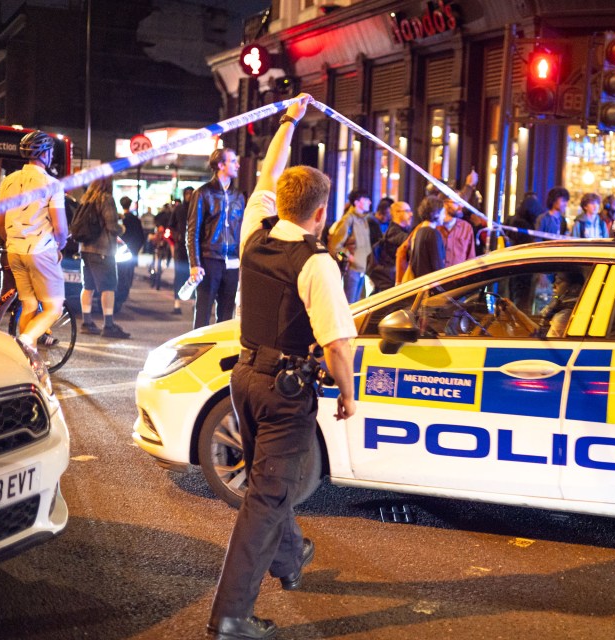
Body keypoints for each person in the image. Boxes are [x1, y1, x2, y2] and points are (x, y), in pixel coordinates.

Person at [207, 94, 357, 640]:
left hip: (242, 381)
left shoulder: (255, 231)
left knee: (269, 478)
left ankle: (290, 558)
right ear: (321, 212)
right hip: (285, 390)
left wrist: (289, 119)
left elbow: (271, 169)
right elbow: (338, 344)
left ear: (280, 203)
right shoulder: (317, 262)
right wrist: (347, 394)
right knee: (267, 493)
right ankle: (230, 616)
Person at [0, 130, 68, 348]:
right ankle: (25, 342)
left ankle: (26, 360)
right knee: (54, 307)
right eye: (51, 151)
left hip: (14, 251)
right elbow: (60, 228)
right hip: (40, 250)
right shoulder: (52, 184)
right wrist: (59, 246)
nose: (52, 156)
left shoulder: (9, 181)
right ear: (44, 154)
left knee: (29, 304)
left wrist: (12, 240)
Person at [187, 147, 246, 329]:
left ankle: (223, 355)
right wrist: (195, 264)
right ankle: (197, 352)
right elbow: (192, 231)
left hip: (233, 262)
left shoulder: (238, 196)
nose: (237, 165)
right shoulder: (203, 193)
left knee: (227, 315)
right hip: (209, 260)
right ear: (220, 165)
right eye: (233, 161)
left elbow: (243, 230)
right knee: (203, 311)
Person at [77, 178, 128, 338]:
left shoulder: (86, 198)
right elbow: (112, 225)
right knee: (108, 287)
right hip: (103, 250)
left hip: (85, 249)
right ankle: (109, 324)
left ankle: (87, 322)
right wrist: (123, 228)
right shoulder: (106, 198)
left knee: (88, 286)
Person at [326, 189, 372, 303]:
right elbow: (334, 247)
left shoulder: (363, 219)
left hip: (362, 269)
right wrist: (349, 258)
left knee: (358, 304)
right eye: (365, 199)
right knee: (349, 304)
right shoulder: (348, 219)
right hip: (351, 270)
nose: (369, 202)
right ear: (356, 202)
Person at [368, 200, 412, 293]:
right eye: (407, 211)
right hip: (391, 282)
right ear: (397, 213)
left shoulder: (401, 231)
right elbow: (411, 242)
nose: (411, 214)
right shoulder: (394, 232)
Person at [115, 196, 145, 313]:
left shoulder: (121, 220)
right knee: (129, 273)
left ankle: (122, 294)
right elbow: (141, 236)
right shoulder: (135, 219)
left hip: (121, 251)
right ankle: (125, 292)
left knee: (122, 274)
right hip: (133, 250)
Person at [407, 196, 446, 280]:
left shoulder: (419, 232)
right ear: (436, 213)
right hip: (430, 285)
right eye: (443, 213)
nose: (444, 216)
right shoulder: (433, 233)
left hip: (420, 282)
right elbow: (437, 266)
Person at [169, 186, 194, 314]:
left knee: (195, 276)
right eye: (187, 194)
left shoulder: (198, 207)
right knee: (179, 275)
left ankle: (194, 303)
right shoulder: (179, 209)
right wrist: (176, 237)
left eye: (191, 193)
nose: (189, 196)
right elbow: (171, 225)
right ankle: (177, 303)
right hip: (181, 247)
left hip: (195, 247)